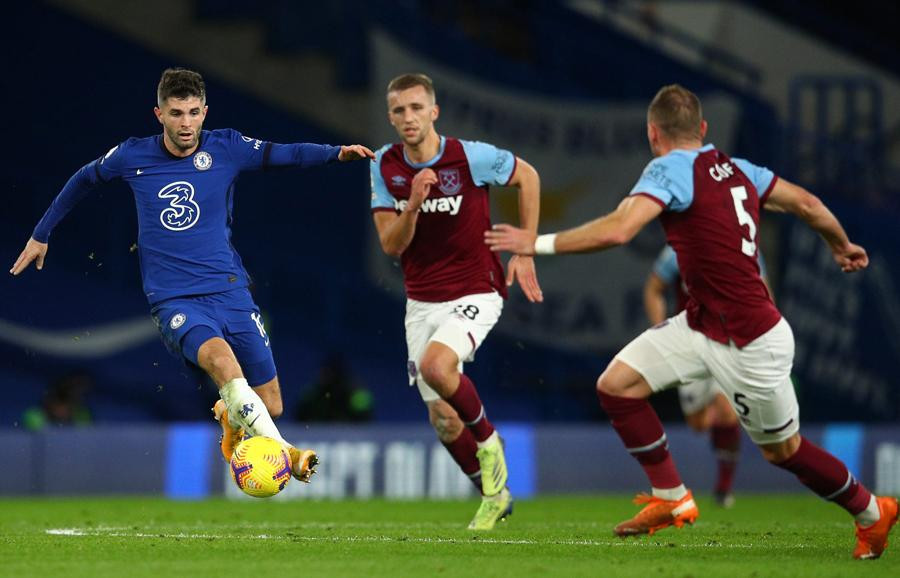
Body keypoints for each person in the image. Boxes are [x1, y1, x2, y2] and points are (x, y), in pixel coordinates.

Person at [485, 84, 897, 559]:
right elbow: (806, 203)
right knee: (616, 386)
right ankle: (671, 496)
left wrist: (534, 243)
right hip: (701, 324)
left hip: (751, 340)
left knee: (783, 452)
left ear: (652, 133)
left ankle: (871, 511)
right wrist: (840, 244)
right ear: (702, 129)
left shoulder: (668, 168)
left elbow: (621, 228)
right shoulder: (740, 169)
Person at [10, 68, 375, 484]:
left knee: (269, 405)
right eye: (176, 113)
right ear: (159, 114)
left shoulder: (228, 147)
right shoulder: (132, 156)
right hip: (175, 301)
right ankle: (287, 454)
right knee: (223, 363)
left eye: (193, 113)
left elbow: (282, 153)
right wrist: (42, 234)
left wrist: (335, 152)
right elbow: (84, 178)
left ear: (205, 112)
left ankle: (227, 414)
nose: (186, 123)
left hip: (231, 291)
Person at [370, 73, 543, 530]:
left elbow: (528, 176)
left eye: (416, 108)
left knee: (436, 367)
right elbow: (391, 244)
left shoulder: (470, 156)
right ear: (390, 117)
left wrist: (525, 248)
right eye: (399, 110)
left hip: (476, 289)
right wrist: (413, 202)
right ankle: (495, 495)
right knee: (444, 420)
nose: (408, 117)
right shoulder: (385, 166)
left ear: (433, 111)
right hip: (421, 302)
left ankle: (489, 443)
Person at [644, 244, 771, 507]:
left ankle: (723, 489)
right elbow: (654, 289)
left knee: (726, 409)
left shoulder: (747, 246)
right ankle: (721, 432)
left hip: (731, 341)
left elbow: (764, 292)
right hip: (691, 342)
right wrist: (660, 330)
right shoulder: (678, 249)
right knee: (699, 423)